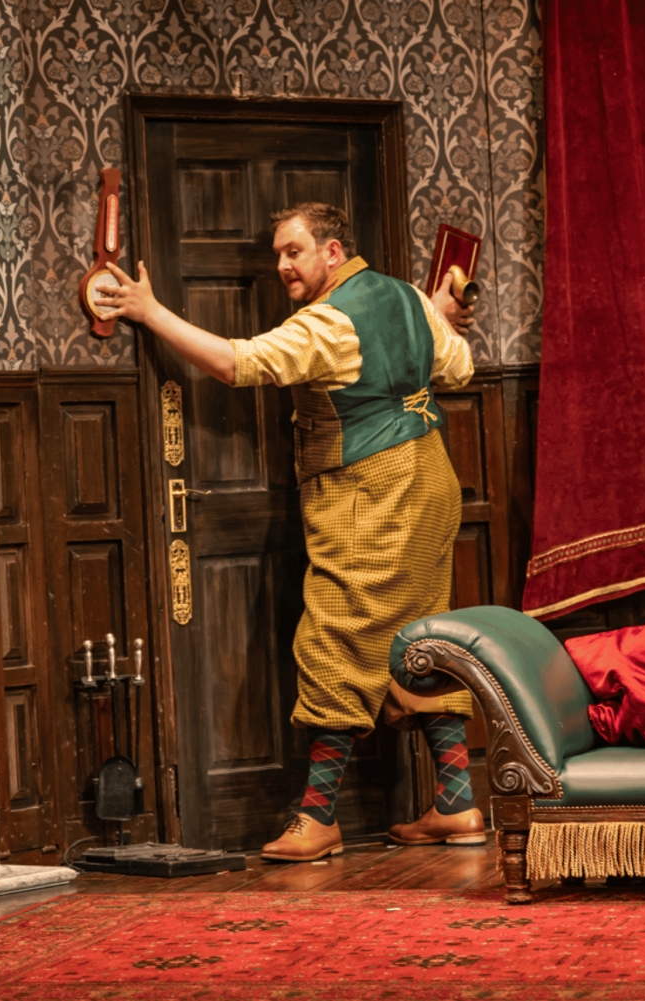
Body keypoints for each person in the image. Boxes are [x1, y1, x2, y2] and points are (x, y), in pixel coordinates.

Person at [94, 203, 485, 862]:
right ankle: (456, 803)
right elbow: (458, 369)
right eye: (278, 253)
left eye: (293, 251)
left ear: (332, 252)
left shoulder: (328, 322)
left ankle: (318, 817)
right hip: (431, 480)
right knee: (421, 636)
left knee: (334, 638)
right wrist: (433, 319)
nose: (281, 265)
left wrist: (150, 311)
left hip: (372, 492)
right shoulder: (408, 298)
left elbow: (237, 363)